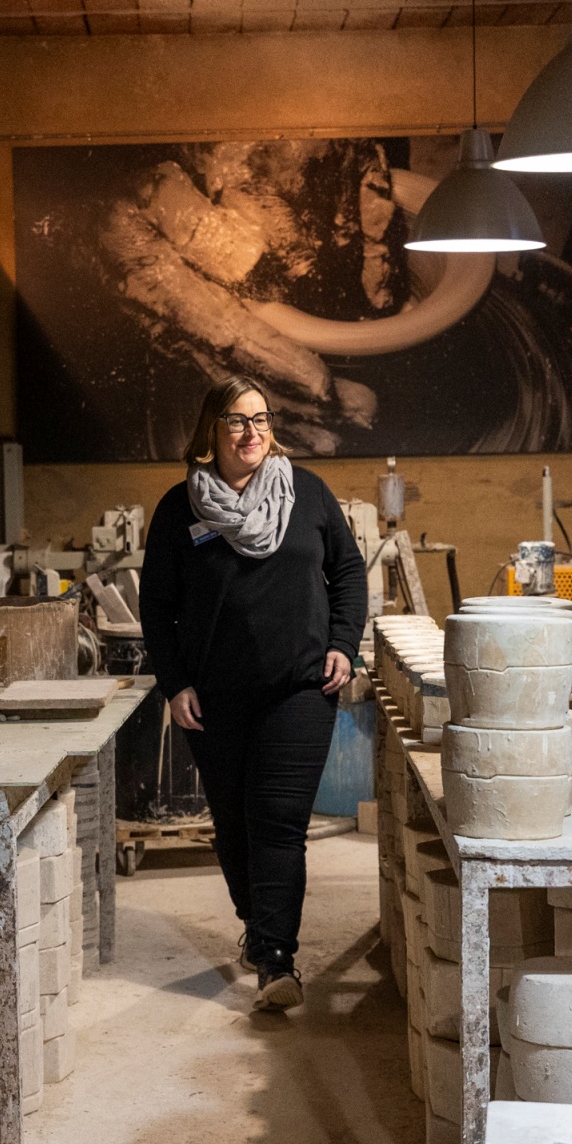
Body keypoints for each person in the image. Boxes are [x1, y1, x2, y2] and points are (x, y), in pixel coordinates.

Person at [138, 375, 368, 1012]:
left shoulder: (308, 495)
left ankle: (275, 961)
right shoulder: (180, 510)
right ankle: (257, 923)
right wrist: (175, 682)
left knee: (277, 824)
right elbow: (156, 607)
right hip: (213, 697)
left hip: (300, 689)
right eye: (237, 421)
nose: (252, 433)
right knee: (234, 826)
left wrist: (343, 644)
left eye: (261, 419)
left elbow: (347, 571)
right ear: (212, 432)